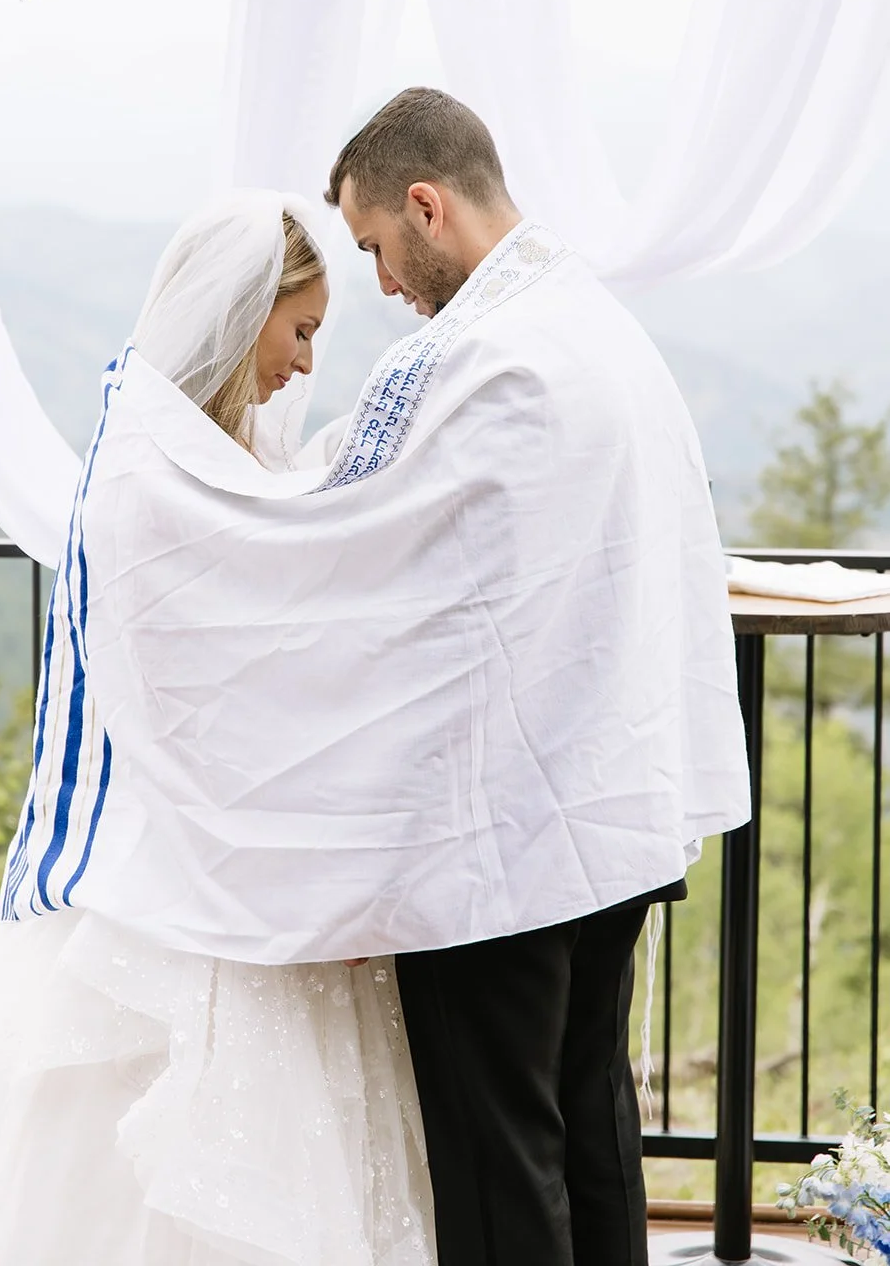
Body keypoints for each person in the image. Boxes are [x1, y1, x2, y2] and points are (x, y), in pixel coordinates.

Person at [0, 192, 436, 1266]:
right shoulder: (155, 476)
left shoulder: (212, 459)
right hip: (187, 878)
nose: (305, 362)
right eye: (303, 330)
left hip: (256, 874)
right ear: (244, 317)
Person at [323, 86, 731, 1266]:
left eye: (375, 251)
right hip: (613, 801)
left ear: (424, 204)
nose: (383, 287)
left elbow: (388, 573)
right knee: (589, 1130)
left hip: (498, 831)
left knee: (500, 1160)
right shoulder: (595, 323)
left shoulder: (481, 355)